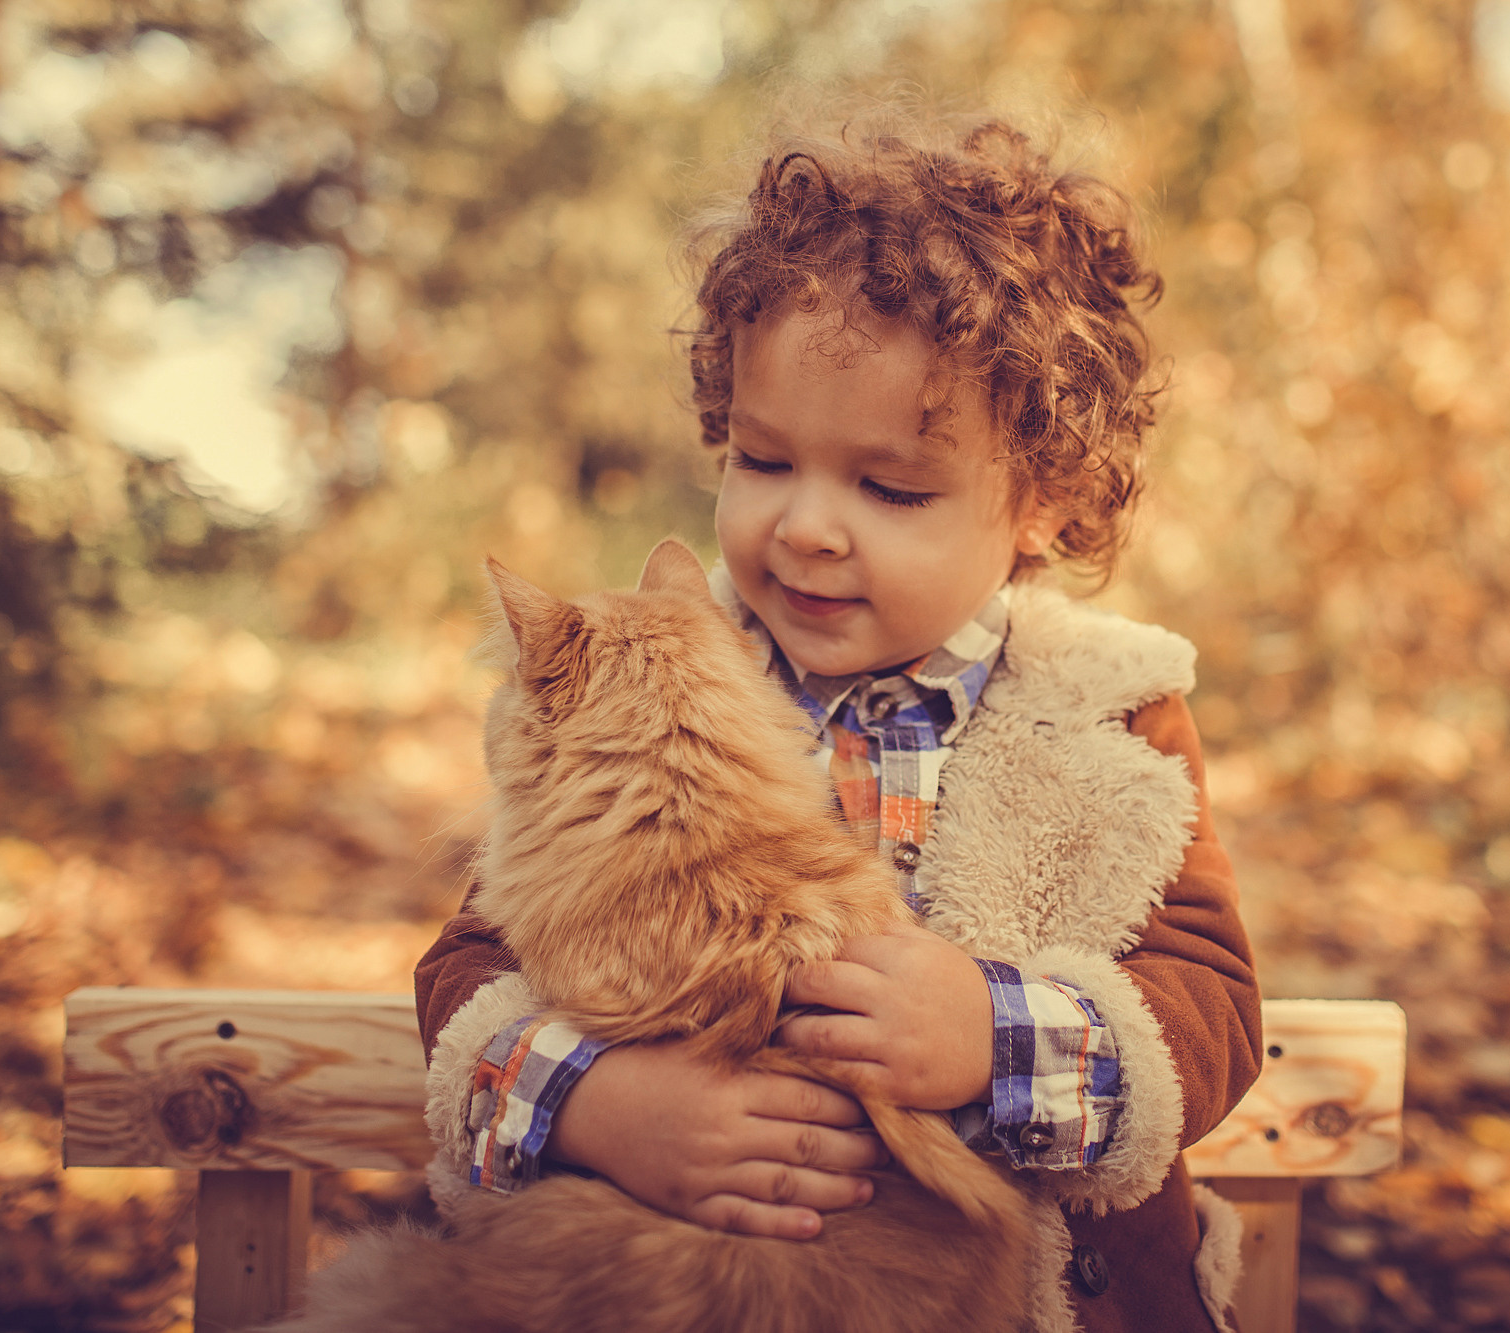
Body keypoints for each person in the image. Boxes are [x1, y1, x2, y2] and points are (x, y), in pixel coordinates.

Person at [415, 112, 1263, 1333]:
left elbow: (1212, 1003)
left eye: (891, 487)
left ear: (1044, 501)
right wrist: (602, 1104)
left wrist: (992, 1034)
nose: (806, 526)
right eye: (762, 461)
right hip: (686, 1284)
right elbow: (469, 969)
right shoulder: (636, 694)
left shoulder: (1111, 717)